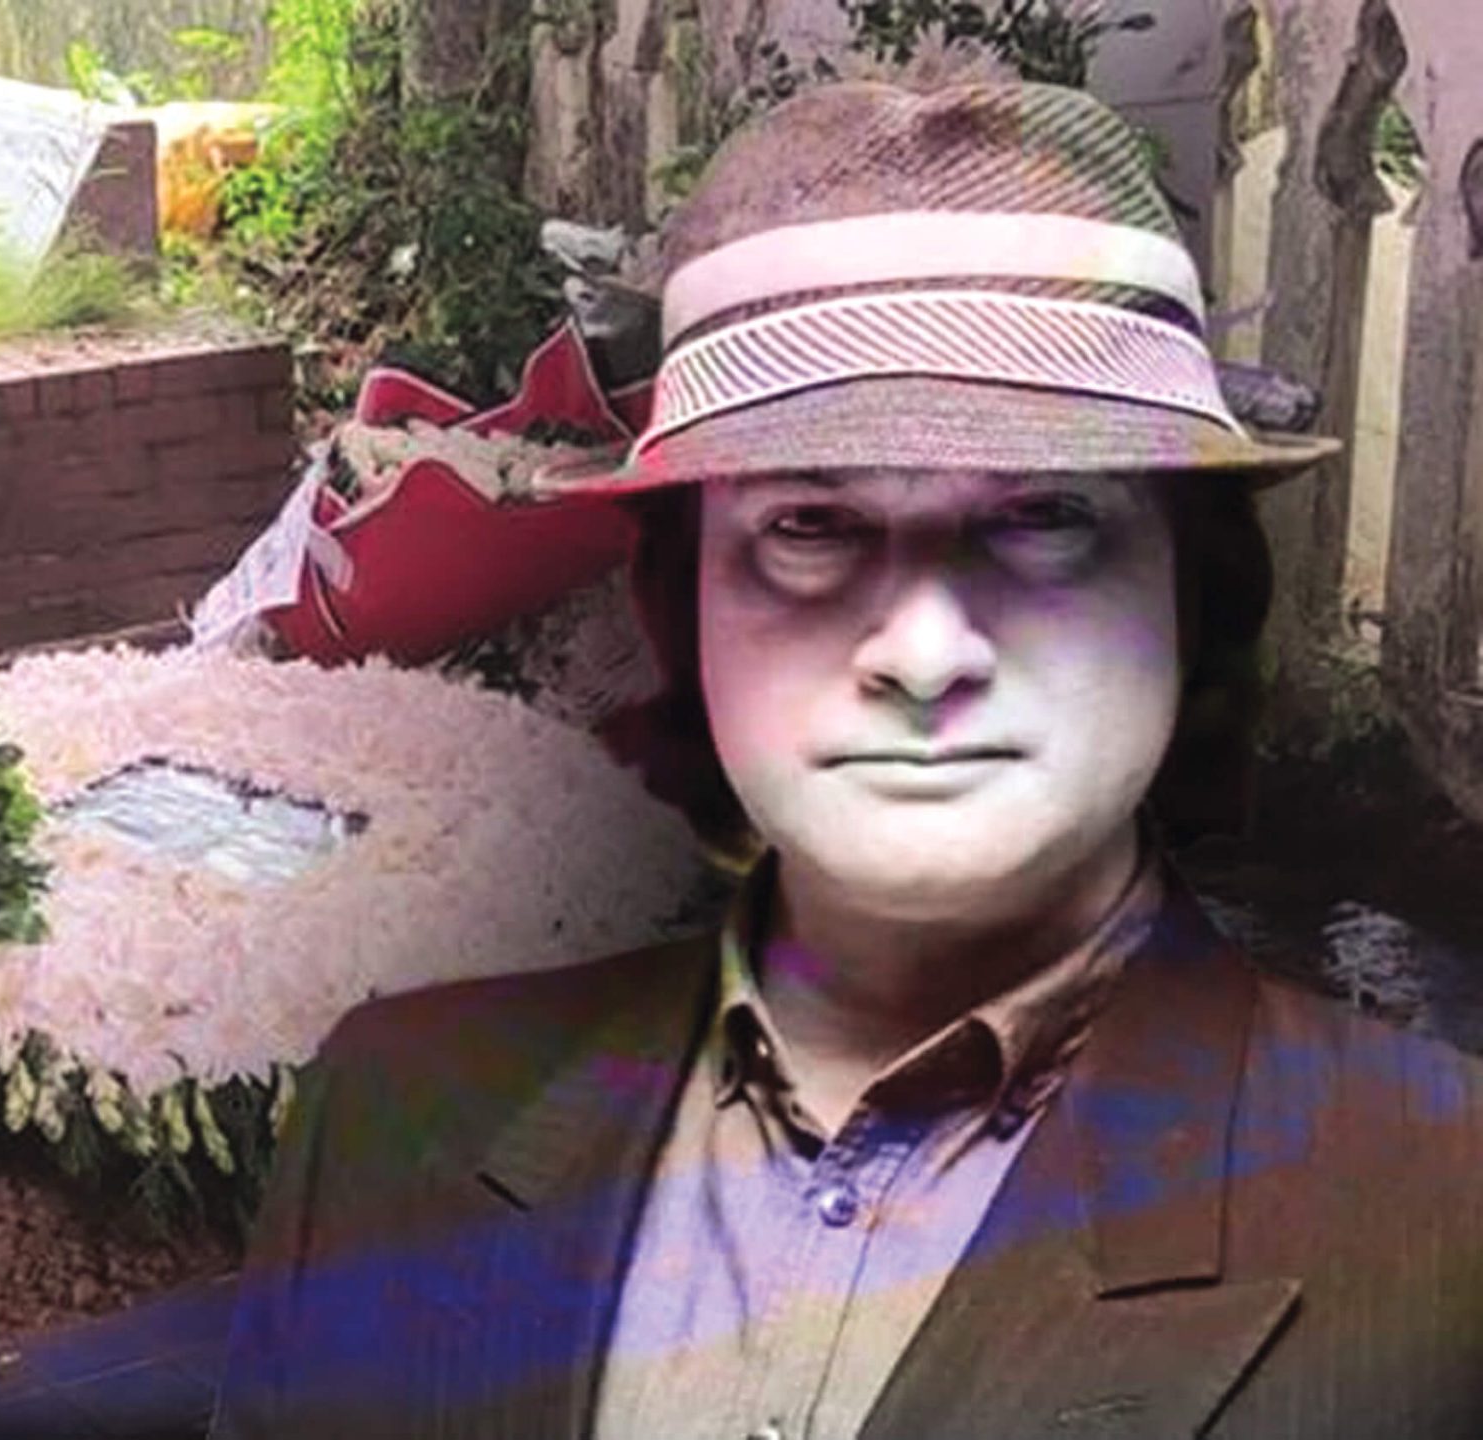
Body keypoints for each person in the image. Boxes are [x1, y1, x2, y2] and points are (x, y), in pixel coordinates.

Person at [209, 79, 1483, 1439]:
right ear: (681, 604)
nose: (923, 654)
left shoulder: (1439, 1219)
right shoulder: (393, 1122)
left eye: (1045, 518)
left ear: (1189, 590)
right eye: (810, 527)